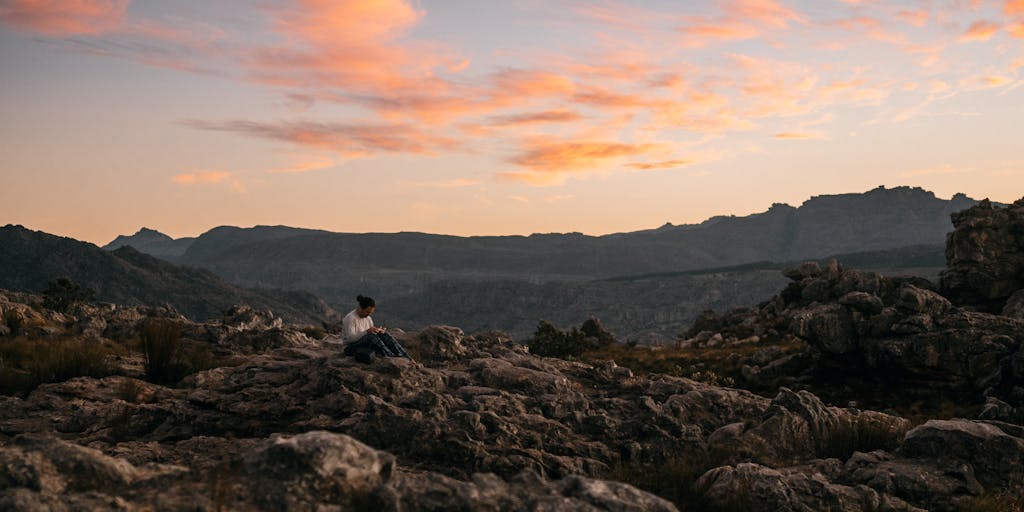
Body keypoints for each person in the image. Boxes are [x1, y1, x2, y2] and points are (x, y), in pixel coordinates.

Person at [341, 295, 411, 362]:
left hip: (363, 345)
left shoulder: (368, 318)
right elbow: (350, 339)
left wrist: (378, 331)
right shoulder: (350, 318)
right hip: (350, 348)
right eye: (367, 311)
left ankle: (406, 358)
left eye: (370, 312)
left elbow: (372, 334)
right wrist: (367, 331)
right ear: (360, 307)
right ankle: (391, 357)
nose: (368, 314)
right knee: (370, 337)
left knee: (385, 335)